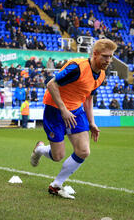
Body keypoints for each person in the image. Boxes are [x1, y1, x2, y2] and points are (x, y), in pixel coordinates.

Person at [30, 38, 117, 199]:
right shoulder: (77, 68)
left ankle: (56, 185)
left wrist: (92, 122)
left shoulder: (101, 75)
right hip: (55, 109)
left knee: (83, 151)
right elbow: (51, 85)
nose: (108, 60)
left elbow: (88, 98)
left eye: (110, 56)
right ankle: (40, 149)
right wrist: (63, 109)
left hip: (76, 110)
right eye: (105, 56)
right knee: (58, 156)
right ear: (95, 54)